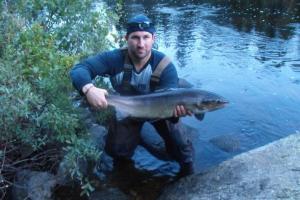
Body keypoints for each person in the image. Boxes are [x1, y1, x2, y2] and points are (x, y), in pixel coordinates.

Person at [70, 14, 195, 176]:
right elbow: (80, 69)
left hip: (160, 111)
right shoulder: (114, 59)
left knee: (181, 147)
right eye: (135, 38)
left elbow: (172, 103)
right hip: (126, 109)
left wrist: (176, 115)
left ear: (153, 38)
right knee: (117, 152)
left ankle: (188, 173)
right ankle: (124, 174)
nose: (141, 44)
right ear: (126, 38)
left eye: (146, 37)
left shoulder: (165, 66)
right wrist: (89, 89)